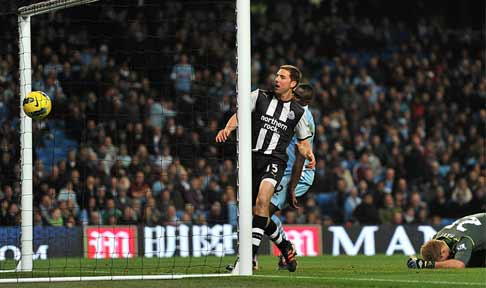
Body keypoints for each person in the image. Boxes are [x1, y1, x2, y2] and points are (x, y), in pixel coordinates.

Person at [216, 65, 315, 272]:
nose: (276, 79)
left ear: (293, 84)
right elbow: (239, 115)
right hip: (251, 160)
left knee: (262, 202)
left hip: (276, 163)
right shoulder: (259, 96)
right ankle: (285, 246)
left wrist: (309, 154)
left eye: (282, 77)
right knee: (256, 212)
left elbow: (303, 144)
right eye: (276, 75)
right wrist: (227, 128)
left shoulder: (298, 113)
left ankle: (248, 259)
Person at [265, 83, 316, 272]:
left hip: (298, 174)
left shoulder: (305, 118)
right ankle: (286, 248)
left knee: (261, 212)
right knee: (257, 210)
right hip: (283, 171)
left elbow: (301, 155)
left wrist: (293, 187)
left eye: (297, 95)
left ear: (306, 101)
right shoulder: (291, 111)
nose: (293, 95)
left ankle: (286, 248)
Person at [407, 213, 486, 269]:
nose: (444, 261)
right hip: (479, 224)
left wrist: (428, 265)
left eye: (442, 259)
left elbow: (459, 265)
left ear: (443, 251)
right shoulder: (437, 237)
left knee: (466, 262)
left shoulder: (462, 240)